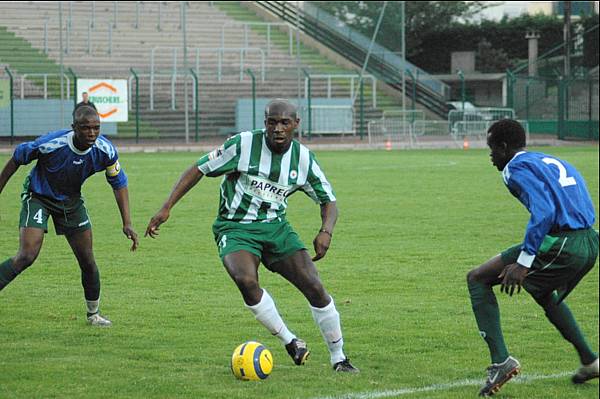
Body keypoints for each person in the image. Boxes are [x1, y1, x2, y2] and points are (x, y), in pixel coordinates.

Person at [145, 99, 358, 372]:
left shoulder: (303, 159)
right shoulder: (242, 145)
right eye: (272, 122)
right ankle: (290, 340)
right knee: (246, 279)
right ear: (265, 123)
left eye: (284, 122)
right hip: (235, 228)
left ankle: (339, 358)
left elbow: (328, 201)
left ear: (296, 125)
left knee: (315, 287)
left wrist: (325, 231)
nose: (278, 128)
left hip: (276, 228)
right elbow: (199, 168)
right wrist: (166, 207)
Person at [467, 119, 599, 396]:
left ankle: (501, 362)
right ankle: (590, 361)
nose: (491, 157)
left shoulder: (515, 167)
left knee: (477, 278)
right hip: (589, 240)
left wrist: (524, 262)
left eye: (492, 150)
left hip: (562, 243)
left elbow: (545, 211)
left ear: (503, 147)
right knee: (544, 293)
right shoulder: (547, 159)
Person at [0, 105, 139, 326]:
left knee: (87, 260)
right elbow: (18, 156)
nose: (92, 133)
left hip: (71, 201)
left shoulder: (105, 151)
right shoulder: (52, 143)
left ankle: (93, 315)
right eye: (85, 128)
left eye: (96, 128)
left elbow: (119, 183)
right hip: (38, 196)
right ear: (74, 127)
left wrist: (127, 222)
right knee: (27, 255)